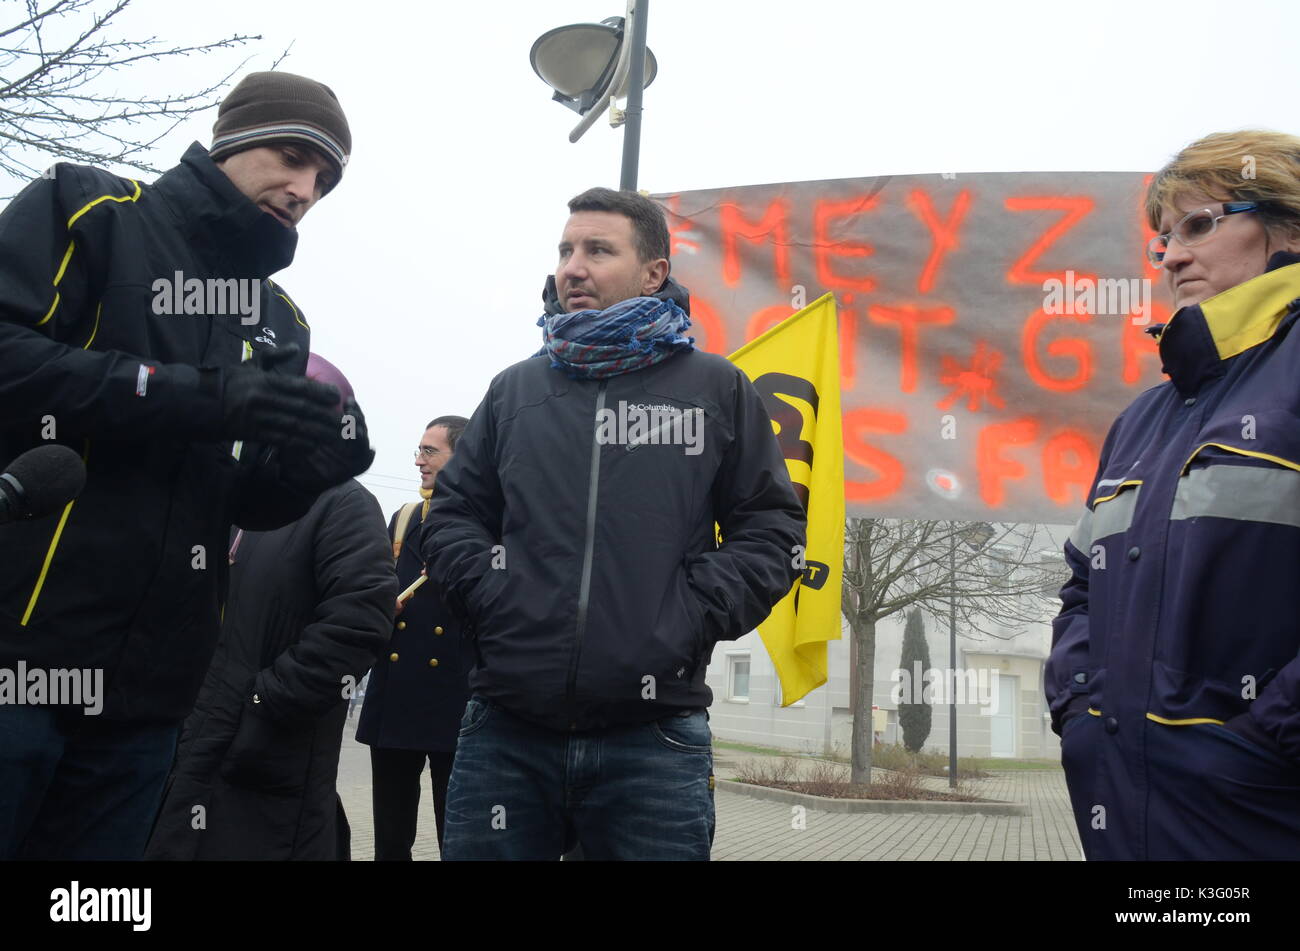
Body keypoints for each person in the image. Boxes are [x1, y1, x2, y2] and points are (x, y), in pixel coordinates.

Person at [0, 71, 374, 861]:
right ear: (232, 138)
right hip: (18, 665)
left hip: (152, 701)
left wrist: (310, 468)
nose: (305, 188)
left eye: (326, 179)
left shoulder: (279, 321)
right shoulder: (88, 208)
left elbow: (240, 501)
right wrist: (195, 394)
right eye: (293, 154)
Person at [421, 187, 807, 861]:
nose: (573, 266)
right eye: (566, 250)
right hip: (505, 731)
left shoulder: (715, 390)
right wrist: (493, 599)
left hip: (653, 739)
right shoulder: (515, 391)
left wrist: (686, 615)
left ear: (654, 272)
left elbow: (772, 529)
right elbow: (454, 515)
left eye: (598, 249)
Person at [1047, 130, 1300, 860]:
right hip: (1127, 819)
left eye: (1199, 224)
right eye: (1162, 239)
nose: (1172, 255)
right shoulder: (1142, 419)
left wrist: (1263, 745)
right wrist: (1081, 710)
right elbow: (1079, 587)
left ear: (1285, 227)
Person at [146, 355, 394, 861]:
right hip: (184, 739)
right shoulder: (225, 493)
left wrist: (265, 702)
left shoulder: (343, 503)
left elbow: (361, 616)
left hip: (267, 756)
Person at [357, 415, 473, 859]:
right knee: (389, 838)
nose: (418, 460)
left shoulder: (487, 523)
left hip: (455, 704)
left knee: (457, 837)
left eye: (430, 451)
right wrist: (384, 603)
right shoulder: (403, 519)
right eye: (419, 450)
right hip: (397, 699)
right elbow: (377, 587)